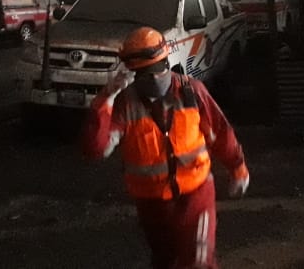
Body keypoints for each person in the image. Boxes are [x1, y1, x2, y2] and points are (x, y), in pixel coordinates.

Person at [82, 26, 250, 269]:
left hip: (195, 195)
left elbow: (220, 132)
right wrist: (105, 98)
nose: (154, 78)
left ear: (167, 62)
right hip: (152, 204)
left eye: (158, 69)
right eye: (145, 73)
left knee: (198, 262)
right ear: (133, 73)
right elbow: (95, 149)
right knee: (165, 261)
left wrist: (238, 167)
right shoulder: (125, 103)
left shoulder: (192, 92)